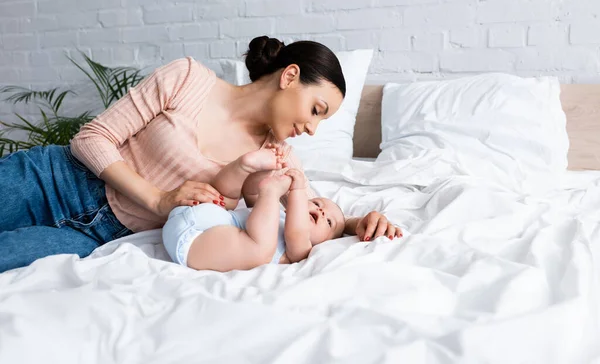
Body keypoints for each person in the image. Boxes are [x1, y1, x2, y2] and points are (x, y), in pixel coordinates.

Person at [0, 35, 401, 273]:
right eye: (316, 110)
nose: (313, 128)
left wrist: (354, 222)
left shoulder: (276, 158)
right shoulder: (187, 78)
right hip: (54, 177)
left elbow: (307, 215)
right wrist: (158, 198)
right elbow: (90, 138)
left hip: (97, 233)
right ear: (290, 76)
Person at [162, 145, 347, 271]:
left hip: (195, 239)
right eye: (316, 203)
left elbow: (297, 231)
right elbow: (251, 195)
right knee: (237, 205)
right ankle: (249, 165)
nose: (322, 212)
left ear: (326, 243)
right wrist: (266, 174)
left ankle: (246, 167)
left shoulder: (302, 249)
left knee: (261, 250)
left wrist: (296, 190)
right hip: (205, 217)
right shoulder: (278, 213)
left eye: (329, 222)